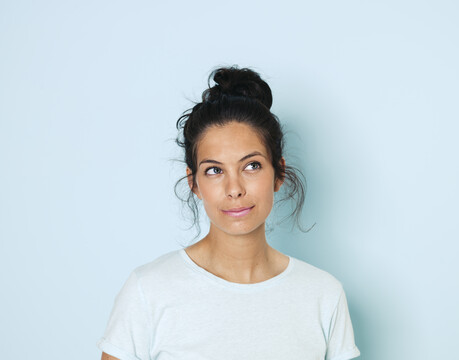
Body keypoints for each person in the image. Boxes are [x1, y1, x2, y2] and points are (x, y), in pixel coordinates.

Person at [97, 66, 361, 360]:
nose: (234, 189)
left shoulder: (323, 295)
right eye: (214, 170)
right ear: (193, 183)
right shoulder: (149, 291)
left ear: (279, 172)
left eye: (251, 166)